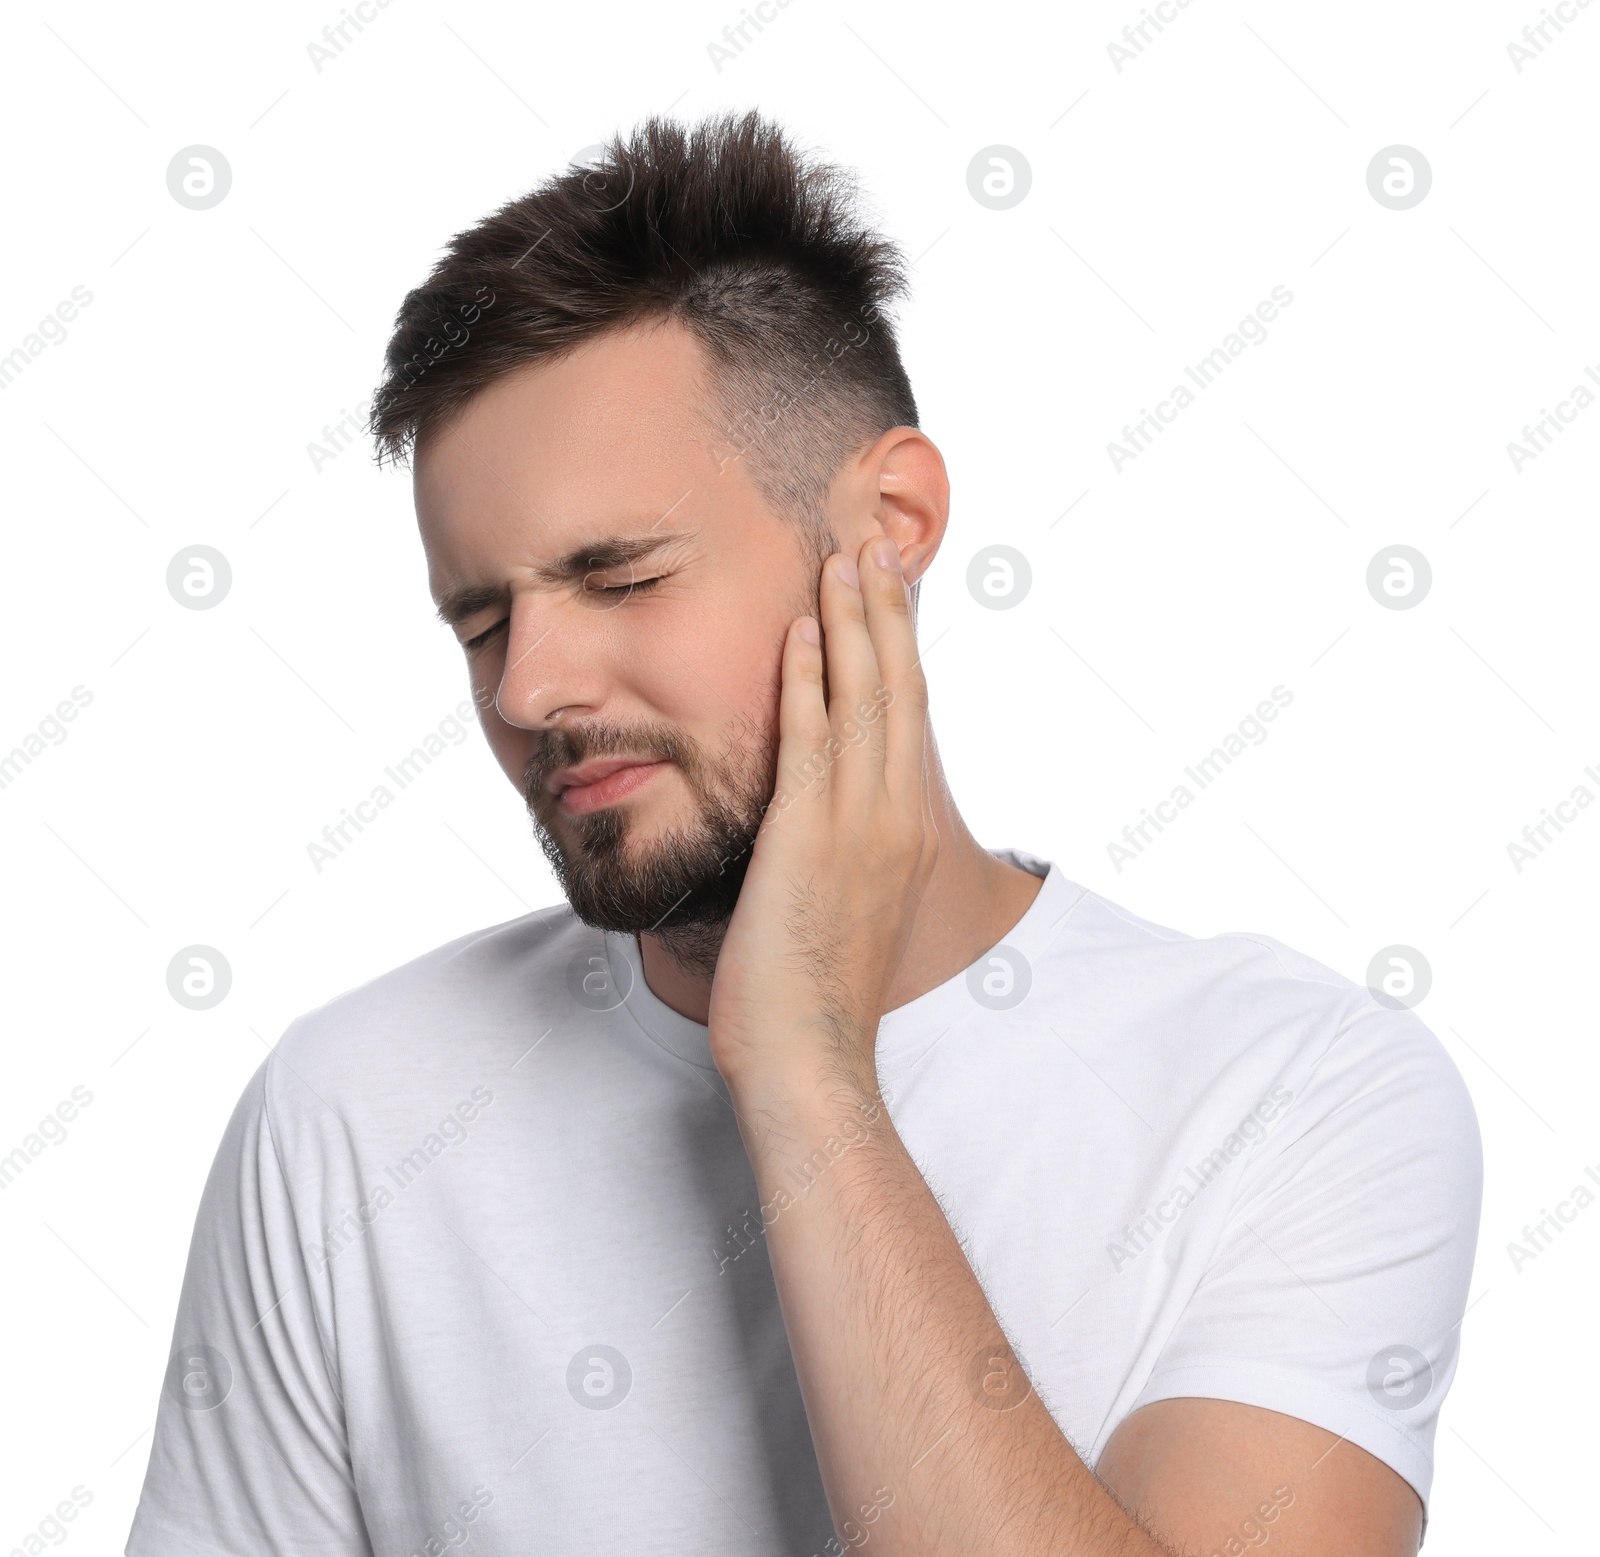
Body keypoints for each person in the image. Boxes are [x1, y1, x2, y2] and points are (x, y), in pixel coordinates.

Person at [127, 110, 1481, 1557]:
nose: (529, 690)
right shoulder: (350, 1115)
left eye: (620, 575)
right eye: (482, 620)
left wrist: (804, 1067)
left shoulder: (1298, 1093)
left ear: (886, 524)